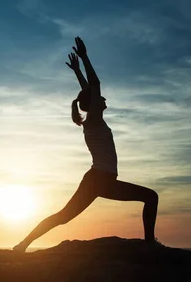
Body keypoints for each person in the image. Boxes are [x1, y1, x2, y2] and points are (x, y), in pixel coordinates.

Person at [13, 37, 159, 252]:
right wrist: (85, 58)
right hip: (99, 180)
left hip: (102, 181)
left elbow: (89, 90)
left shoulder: (93, 121)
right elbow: (94, 86)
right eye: (101, 98)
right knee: (150, 197)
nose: (105, 99)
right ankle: (149, 244)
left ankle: (23, 244)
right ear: (94, 105)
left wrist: (77, 71)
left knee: (63, 217)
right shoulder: (94, 120)